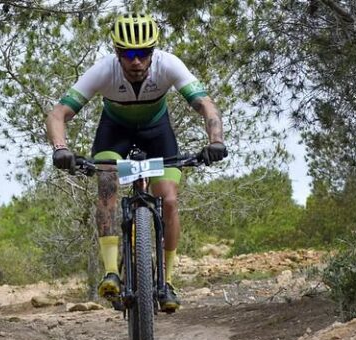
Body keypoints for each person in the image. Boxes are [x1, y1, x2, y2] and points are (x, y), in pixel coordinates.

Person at [45, 13, 227, 312]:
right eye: (128, 54)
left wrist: (215, 140)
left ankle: (167, 281)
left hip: (157, 133)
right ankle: (111, 272)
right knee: (106, 186)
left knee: (168, 200)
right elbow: (58, 113)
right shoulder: (104, 70)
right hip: (114, 132)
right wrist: (60, 148)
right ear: (117, 53)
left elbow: (205, 104)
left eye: (144, 53)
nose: (136, 61)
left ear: (153, 52)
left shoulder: (168, 64)